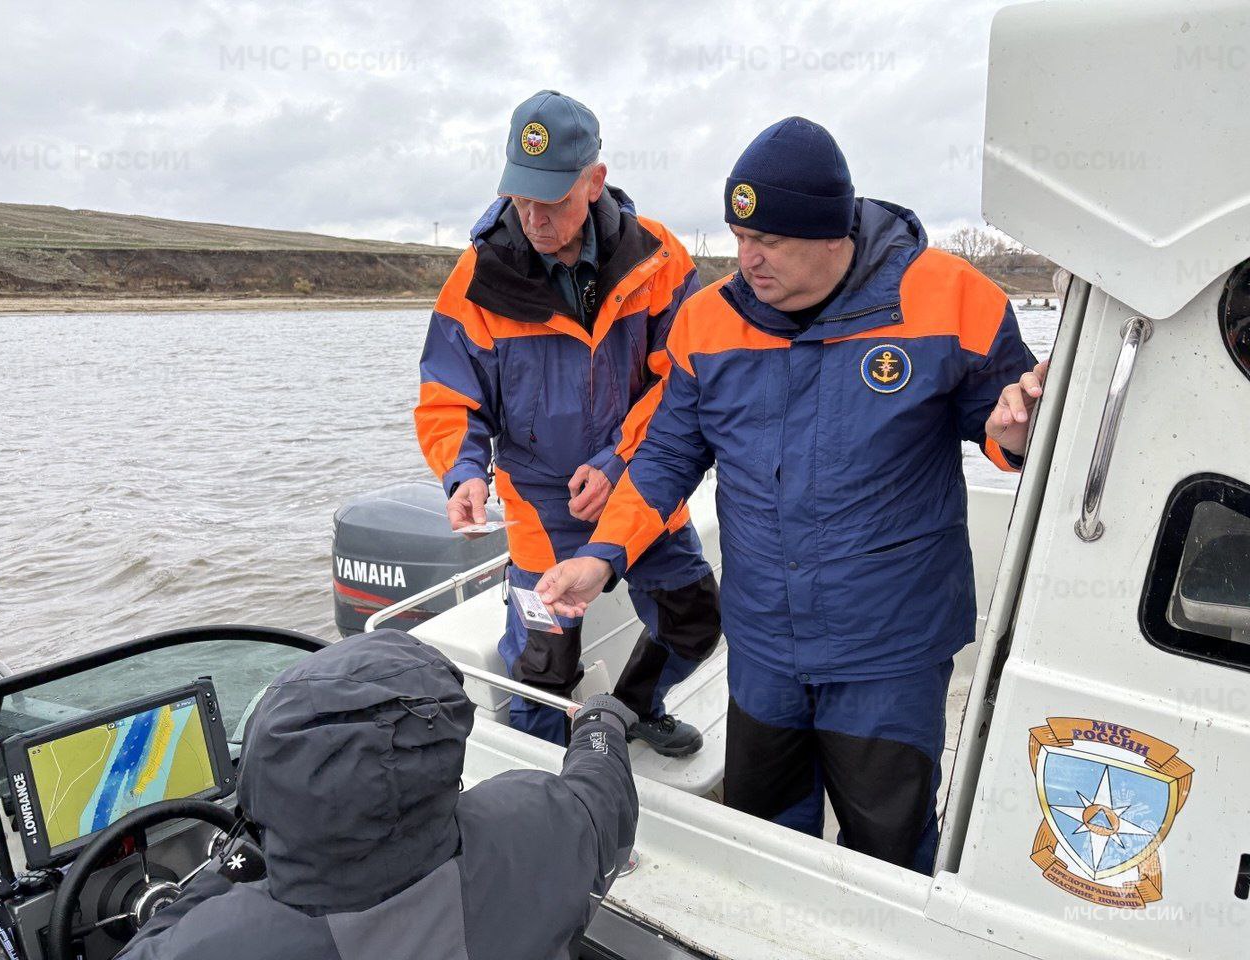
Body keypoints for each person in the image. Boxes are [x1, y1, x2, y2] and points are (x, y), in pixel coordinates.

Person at [537, 117, 1047, 874]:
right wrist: (603, 556)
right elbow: (667, 455)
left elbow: (1013, 431)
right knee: (766, 839)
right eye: (739, 237)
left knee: (889, 847)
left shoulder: (949, 297)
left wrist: (1016, 428)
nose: (747, 260)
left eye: (767, 241)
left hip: (889, 650)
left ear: (832, 230)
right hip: (767, 645)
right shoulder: (708, 321)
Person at [415, 90, 721, 755]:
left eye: (552, 201)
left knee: (693, 621)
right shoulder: (476, 278)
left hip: (640, 480)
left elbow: (685, 381)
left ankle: (633, 709)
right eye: (522, 199)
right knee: (542, 667)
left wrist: (618, 460)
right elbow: (447, 397)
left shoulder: (659, 256)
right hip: (539, 501)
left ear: (595, 182)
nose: (534, 218)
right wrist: (463, 471)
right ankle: (547, 784)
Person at [117, 628, 638, 960]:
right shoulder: (533, 821)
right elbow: (602, 791)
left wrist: (229, 868)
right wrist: (600, 723)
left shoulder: (216, 942)